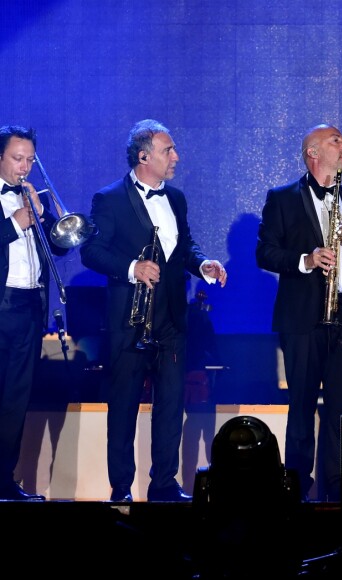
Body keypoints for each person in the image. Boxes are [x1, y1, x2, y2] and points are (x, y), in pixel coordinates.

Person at [80, 119, 227, 502]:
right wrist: (132, 268)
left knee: (170, 404)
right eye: (168, 150)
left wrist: (202, 264)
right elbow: (91, 251)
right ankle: (121, 489)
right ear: (144, 156)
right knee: (124, 406)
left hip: (171, 320)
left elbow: (185, 247)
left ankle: (164, 483)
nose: (176, 156)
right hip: (129, 321)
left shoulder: (176, 198)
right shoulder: (109, 198)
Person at [256, 123, 342, 501]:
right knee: (301, 405)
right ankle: (297, 488)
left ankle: (336, 487)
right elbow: (264, 252)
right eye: (336, 140)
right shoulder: (282, 198)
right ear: (313, 152)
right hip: (303, 318)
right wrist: (307, 259)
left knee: (340, 408)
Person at [0, 125, 70, 501]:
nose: (24, 167)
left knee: (16, 400)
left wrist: (43, 213)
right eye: (17, 158)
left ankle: (4, 482)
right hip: (1, 303)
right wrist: (14, 224)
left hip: (29, 308)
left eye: (30, 159)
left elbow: (62, 247)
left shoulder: (33, 197)